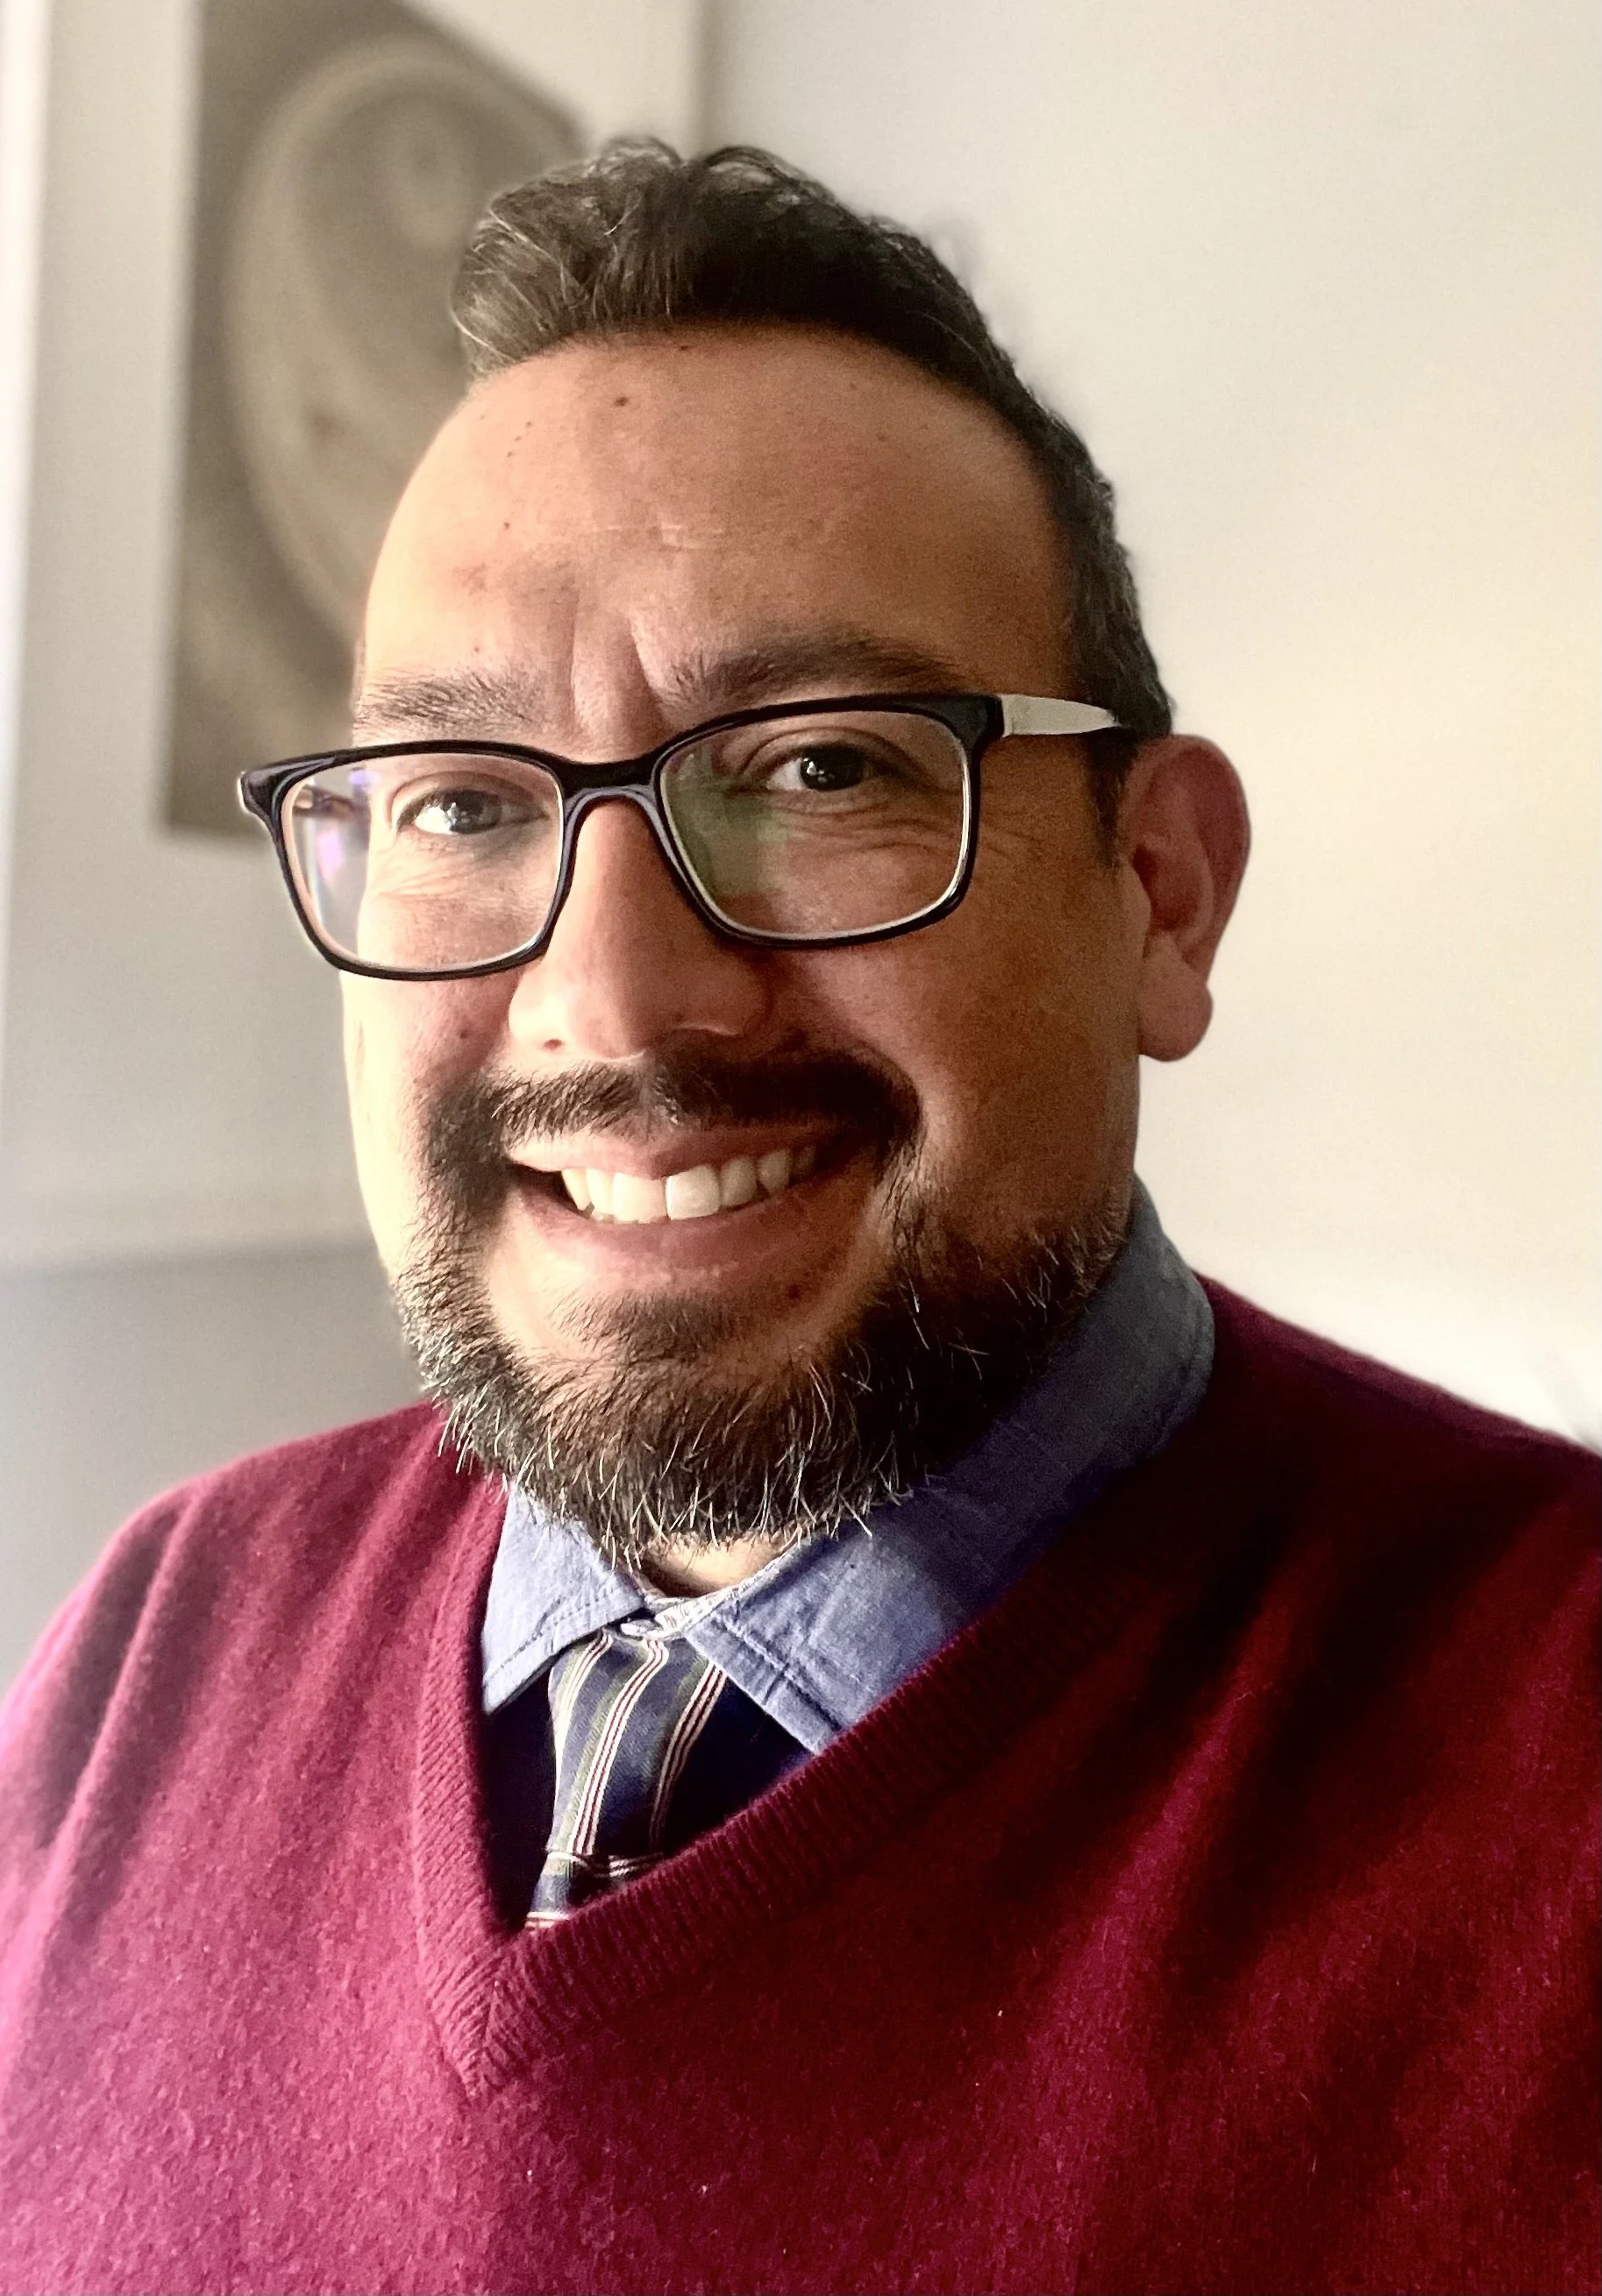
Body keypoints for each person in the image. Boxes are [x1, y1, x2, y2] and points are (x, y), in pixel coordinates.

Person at [0, 142, 1593, 2296]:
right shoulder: (151, 1643)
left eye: (824, 767)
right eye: (466, 803)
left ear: (1161, 895)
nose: (618, 999)